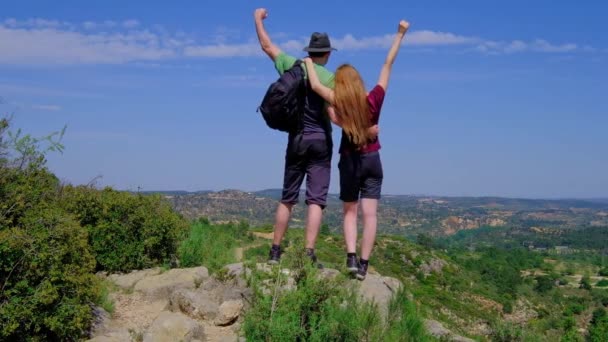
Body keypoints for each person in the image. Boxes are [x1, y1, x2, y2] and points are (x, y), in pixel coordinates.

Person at [303, 20, 410, 279]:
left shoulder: (339, 101)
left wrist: (308, 62)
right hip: (373, 159)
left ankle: (350, 258)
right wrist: (400, 34)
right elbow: (387, 64)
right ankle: (363, 265)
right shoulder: (374, 99)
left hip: (350, 161)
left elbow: (317, 86)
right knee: (370, 215)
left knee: (350, 211)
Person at [254, 8, 337, 267]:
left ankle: (275, 252)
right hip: (320, 142)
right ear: (326, 54)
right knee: (316, 200)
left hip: (296, 141)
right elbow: (334, 115)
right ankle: (308, 254)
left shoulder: (292, 65)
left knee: (288, 198)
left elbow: (267, 46)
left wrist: (258, 19)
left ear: (308, 52)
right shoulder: (329, 78)